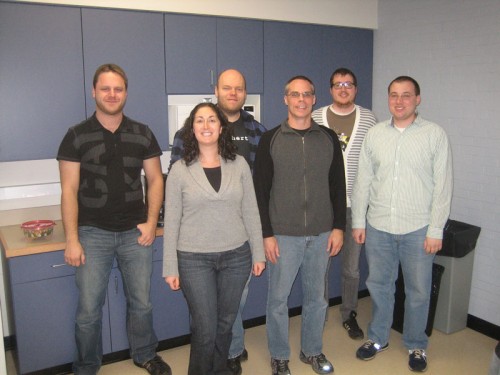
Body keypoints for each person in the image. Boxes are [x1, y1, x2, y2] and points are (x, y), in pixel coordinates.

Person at [57, 63, 171, 375]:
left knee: (142, 303)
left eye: (118, 88)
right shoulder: (76, 136)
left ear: (125, 93)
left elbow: (156, 179)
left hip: (136, 232)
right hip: (92, 234)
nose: (111, 94)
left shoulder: (142, 132)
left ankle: (145, 354)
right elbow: (68, 190)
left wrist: (151, 222)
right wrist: (72, 240)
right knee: (89, 310)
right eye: (105, 88)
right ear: (94, 91)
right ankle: (86, 366)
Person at [168, 68, 267, 375]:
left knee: (226, 323)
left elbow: (251, 209)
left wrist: (258, 252)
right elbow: (171, 220)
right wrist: (170, 266)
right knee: (205, 327)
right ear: (191, 128)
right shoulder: (180, 170)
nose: (207, 125)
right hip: (194, 258)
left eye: (212, 120)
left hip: (236, 255)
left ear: (221, 128)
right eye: (200, 120)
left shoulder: (238, 165)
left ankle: (221, 369)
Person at [351, 76, 453, 373]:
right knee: (379, 286)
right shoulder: (375, 134)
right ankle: (378, 338)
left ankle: (416, 343)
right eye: (394, 95)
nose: (399, 101)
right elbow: (363, 181)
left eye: (406, 95)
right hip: (379, 226)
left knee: (418, 291)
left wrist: (435, 229)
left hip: (418, 229)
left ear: (417, 99)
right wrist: (359, 220)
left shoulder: (434, 135)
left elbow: (442, 187)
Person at [253, 76, 346, 375]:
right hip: (283, 233)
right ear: (286, 99)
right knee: (278, 300)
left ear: (314, 98)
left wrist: (339, 227)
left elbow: (338, 186)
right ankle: (280, 356)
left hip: (321, 233)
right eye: (295, 94)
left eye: (307, 94)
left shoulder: (328, 137)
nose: (301, 100)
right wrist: (266, 234)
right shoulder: (270, 139)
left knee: (317, 298)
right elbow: (261, 190)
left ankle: (312, 351)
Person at [312, 67, 376, 340]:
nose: (343, 88)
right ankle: (318, 313)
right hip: (322, 205)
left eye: (348, 84)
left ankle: (349, 313)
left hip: (356, 206)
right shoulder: (316, 117)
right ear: (330, 89)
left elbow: (374, 163)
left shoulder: (369, 119)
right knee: (320, 266)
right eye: (338, 84)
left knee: (351, 267)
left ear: (355, 89)